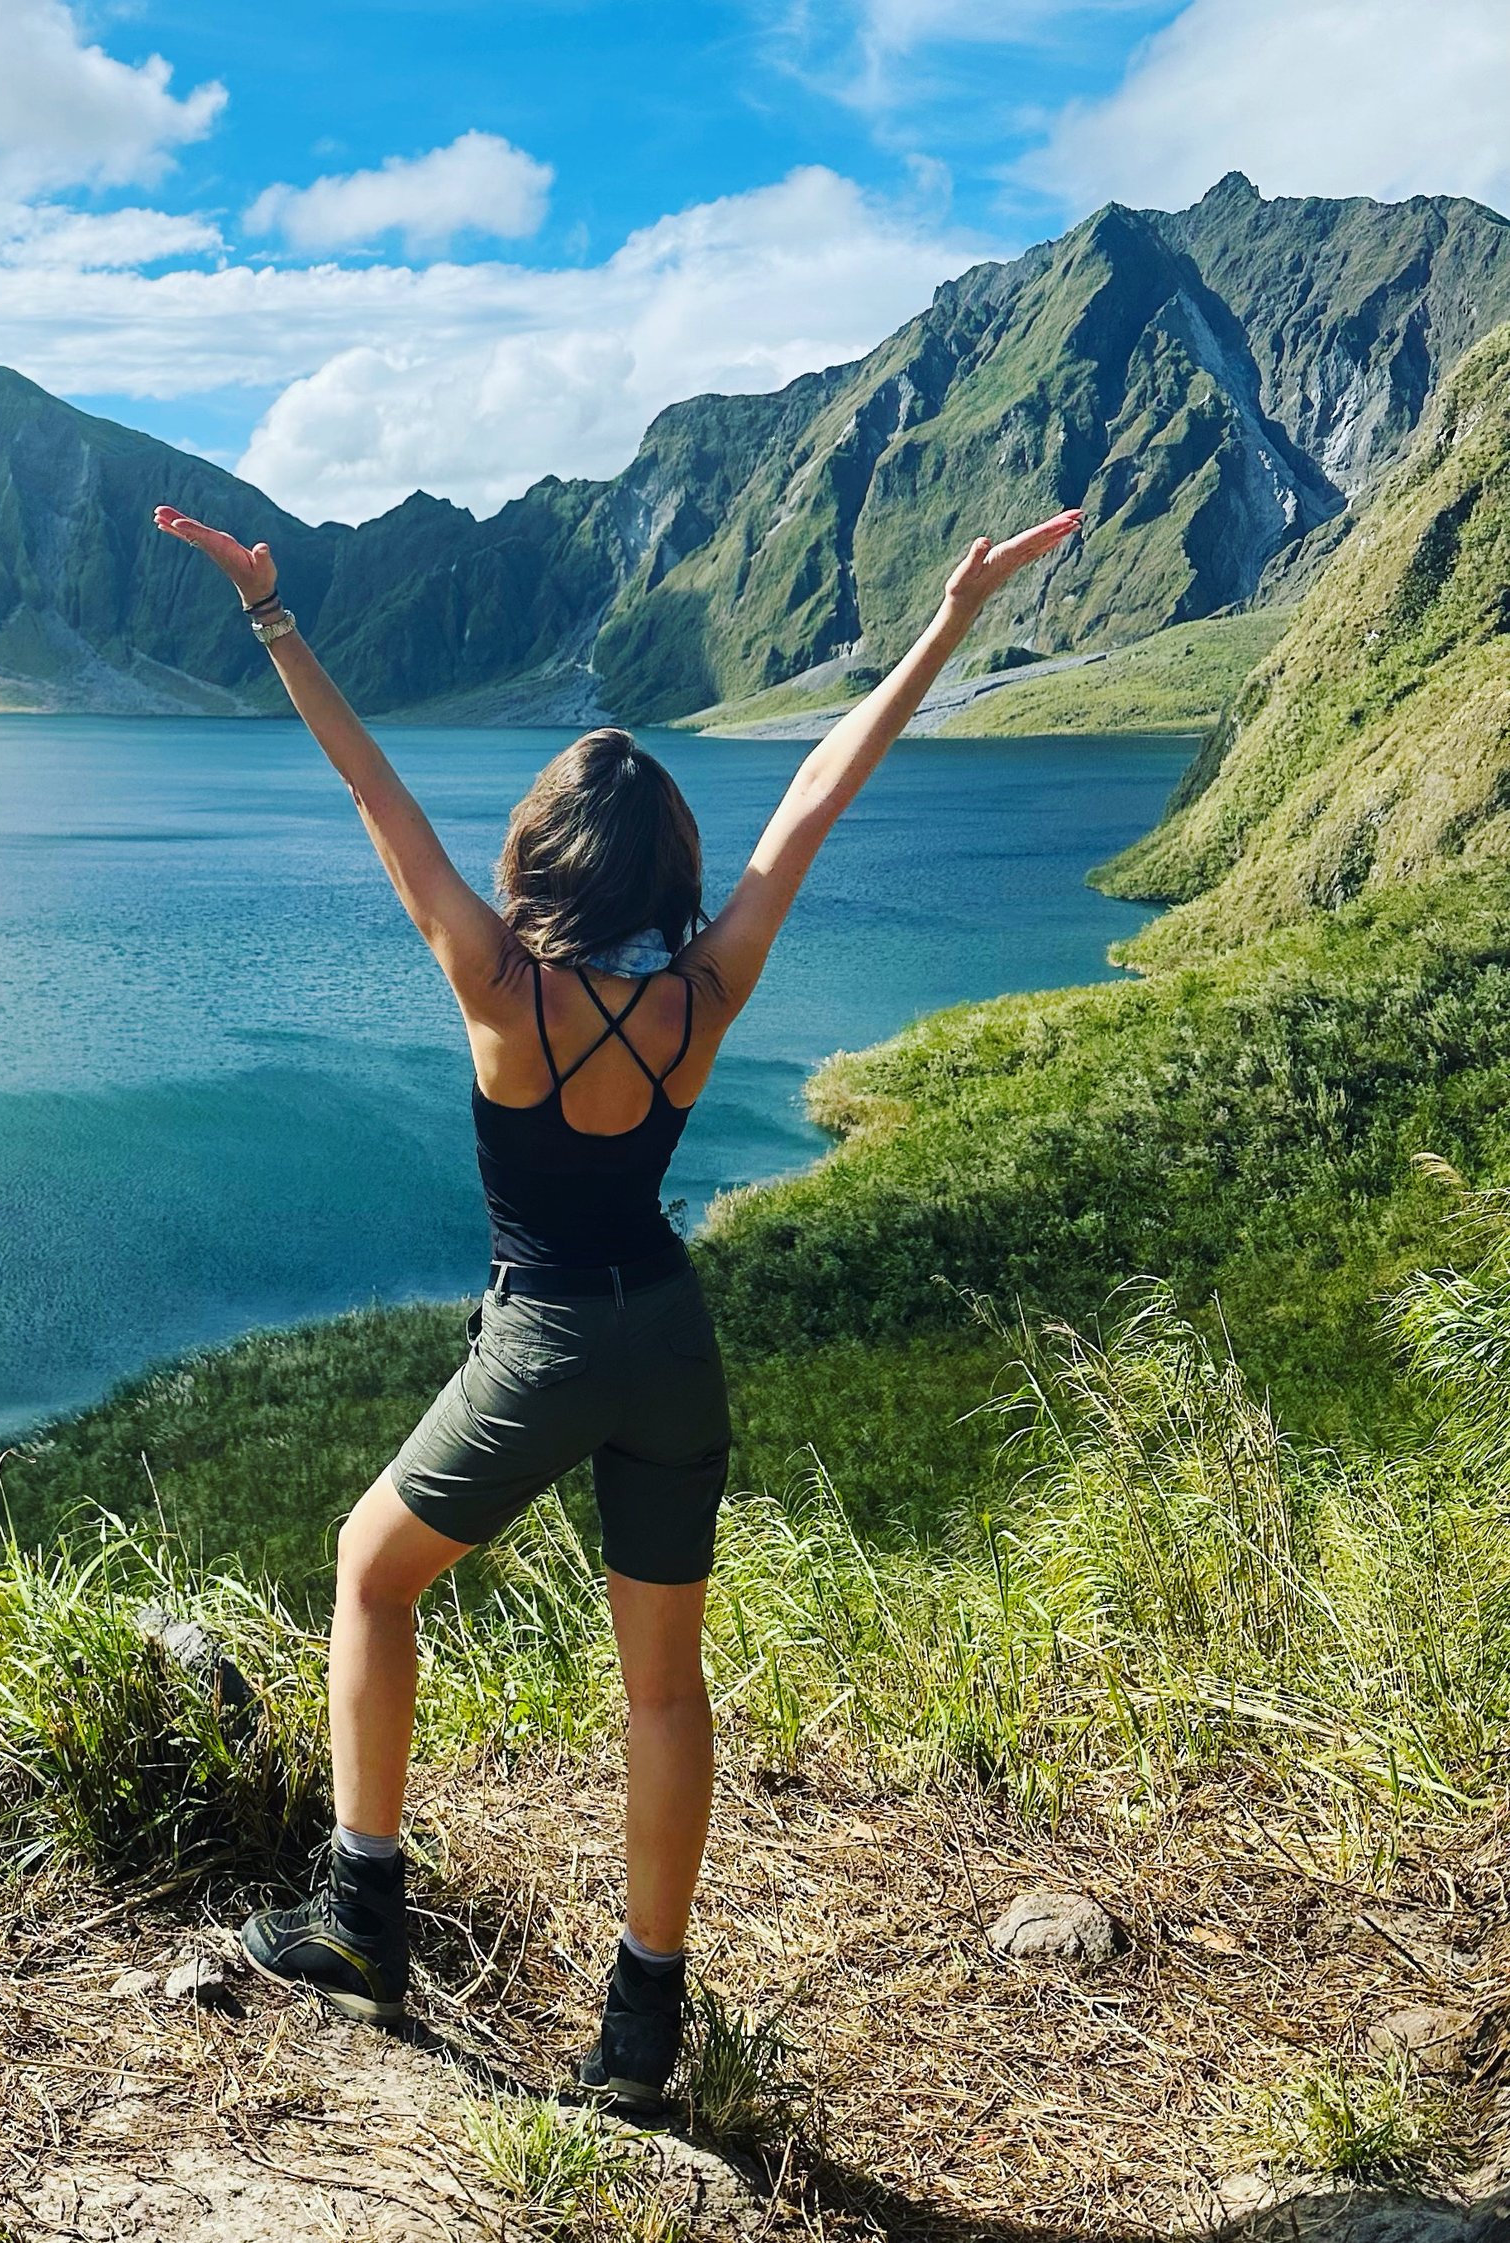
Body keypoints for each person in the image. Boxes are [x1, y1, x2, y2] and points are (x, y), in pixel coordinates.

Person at [153, 498, 1083, 2102]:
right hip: (669, 1329)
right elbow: (813, 795)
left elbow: (374, 792)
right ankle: (643, 2032)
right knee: (664, 1688)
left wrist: (272, 618)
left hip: (549, 1335)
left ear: (540, 856)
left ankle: (364, 1914)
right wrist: (945, 625)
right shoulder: (706, 992)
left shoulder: (497, 985)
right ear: (663, 867)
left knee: (370, 1575)